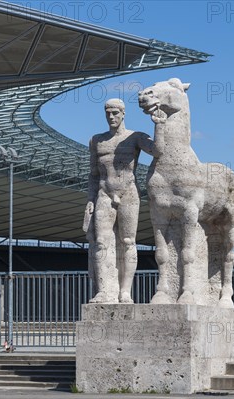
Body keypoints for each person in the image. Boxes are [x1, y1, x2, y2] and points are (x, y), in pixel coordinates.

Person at [84, 98, 153, 303]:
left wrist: (160, 122)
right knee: (101, 242)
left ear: (123, 113)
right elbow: (93, 174)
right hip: (104, 193)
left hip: (128, 193)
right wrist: (90, 199)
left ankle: (125, 291)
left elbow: (158, 150)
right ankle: (104, 290)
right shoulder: (96, 140)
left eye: (115, 113)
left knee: (128, 241)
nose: (111, 117)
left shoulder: (135, 137)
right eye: (108, 113)